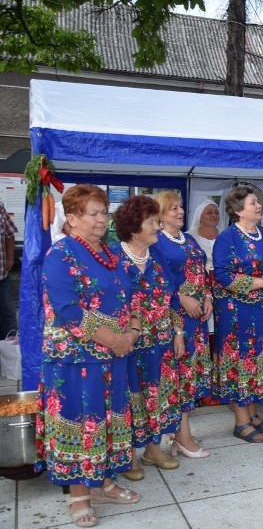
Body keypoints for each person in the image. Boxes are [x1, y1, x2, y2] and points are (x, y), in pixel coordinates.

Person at [36, 185, 141, 528]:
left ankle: (104, 481)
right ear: (73, 218)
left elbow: (133, 295)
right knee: (82, 422)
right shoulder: (60, 254)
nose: (101, 219)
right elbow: (68, 309)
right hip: (77, 359)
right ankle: (79, 495)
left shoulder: (112, 253)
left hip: (116, 356)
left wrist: (132, 334)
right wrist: (115, 340)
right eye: (93, 213)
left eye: (104, 212)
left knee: (107, 420)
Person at [112, 195, 184, 480]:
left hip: (161, 341)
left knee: (157, 396)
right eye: (152, 222)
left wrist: (178, 333)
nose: (157, 227)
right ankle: (129, 455)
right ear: (133, 228)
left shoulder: (157, 258)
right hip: (128, 344)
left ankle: (152, 448)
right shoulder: (113, 258)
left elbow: (172, 298)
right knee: (131, 396)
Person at [213, 186, 263, 443]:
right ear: (238, 210)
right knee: (242, 362)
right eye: (254, 202)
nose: (259, 206)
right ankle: (241, 422)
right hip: (239, 315)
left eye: (258, 201)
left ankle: (253, 415)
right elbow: (223, 275)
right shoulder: (228, 238)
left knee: (258, 362)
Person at [151, 191, 213, 458]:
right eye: (172, 208)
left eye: (180, 207)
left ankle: (180, 434)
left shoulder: (187, 238)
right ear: (160, 215)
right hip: (174, 319)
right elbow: (153, 283)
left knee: (189, 377)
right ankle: (182, 436)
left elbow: (202, 269)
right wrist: (180, 297)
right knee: (178, 377)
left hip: (196, 319)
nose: (179, 211)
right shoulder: (156, 242)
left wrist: (207, 295)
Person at [188, 198, 222, 407]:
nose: (213, 215)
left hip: (222, 290)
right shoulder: (190, 238)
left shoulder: (226, 237)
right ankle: (201, 388)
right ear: (199, 215)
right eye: (208, 211)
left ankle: (217, 386)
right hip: (200, 292)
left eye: (216, 212)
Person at [0, 202, 18, 338]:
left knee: (9, 317)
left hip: (2, 276)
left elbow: (10, 233)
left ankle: (9, 355)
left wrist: (11, 258)